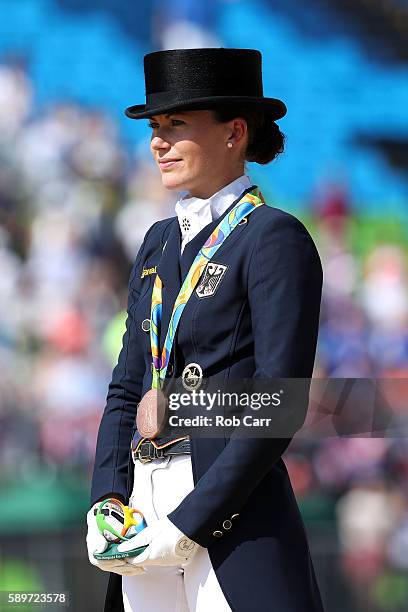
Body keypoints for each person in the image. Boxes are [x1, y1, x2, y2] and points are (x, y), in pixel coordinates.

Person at [86, 48, 325, 612]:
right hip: (141, 511)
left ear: (234, 132)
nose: (157, 142)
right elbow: (127, 387)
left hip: (228, 509)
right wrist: (106, 497)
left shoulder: (274, 238)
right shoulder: (156, 242)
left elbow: (280, 404)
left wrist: (190, 522)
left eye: (176, 125)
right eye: (154, 127)